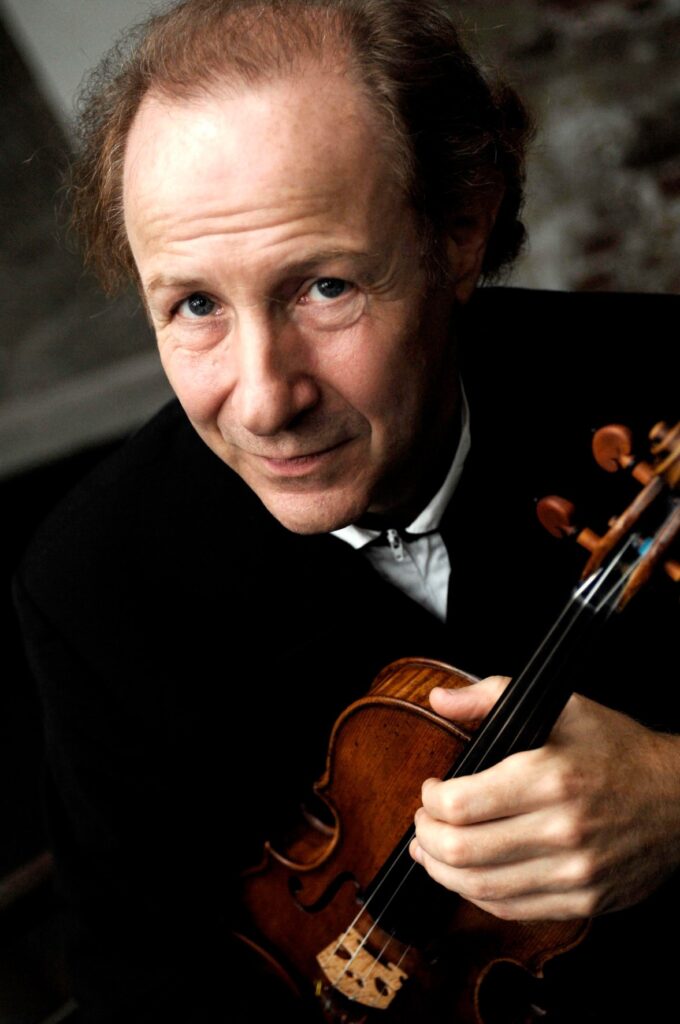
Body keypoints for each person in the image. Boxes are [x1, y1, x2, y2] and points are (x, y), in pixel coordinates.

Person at [14, 0, 678, 1020]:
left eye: (324, 287)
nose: (263, 401)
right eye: (195, 305)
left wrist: (673, 794)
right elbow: (141, 983)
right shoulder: (95, 580)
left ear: (458, 229)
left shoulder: (659, 383)